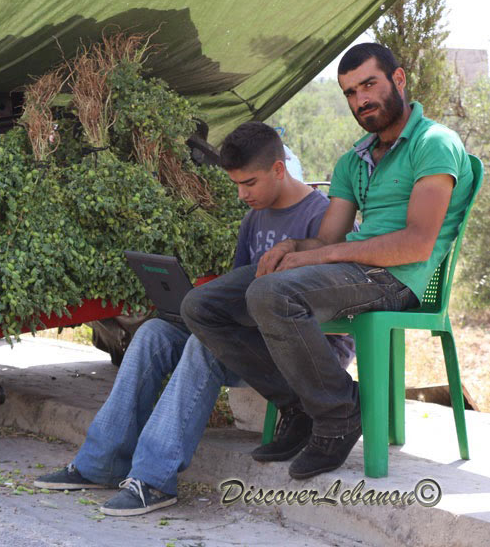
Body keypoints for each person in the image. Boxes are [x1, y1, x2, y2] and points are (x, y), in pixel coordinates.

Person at [181, 43, 475, 480]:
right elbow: (326, 237)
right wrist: (295, 247)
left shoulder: (435, 144)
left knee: (271, 294)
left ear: (398, 80)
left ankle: (339, 414)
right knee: (202, 305)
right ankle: (299, 404)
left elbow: (416, 244)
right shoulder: (353, 160)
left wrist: (322, 254)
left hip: (398, 279)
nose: (361, 100)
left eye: (369, 85)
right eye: (351, 93)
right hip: (352, 271)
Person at [34, 122, 354, 516]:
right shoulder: (253, 219)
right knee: (153, 332)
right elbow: (239, 297)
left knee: (206, 346)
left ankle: (154, 480)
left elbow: (339, 306)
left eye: (249, 183)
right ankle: (101, 463)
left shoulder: (323, 217)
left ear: (278, 169)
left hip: (310, 350)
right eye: (236, 184)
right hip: (253, 340)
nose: (242, 194)